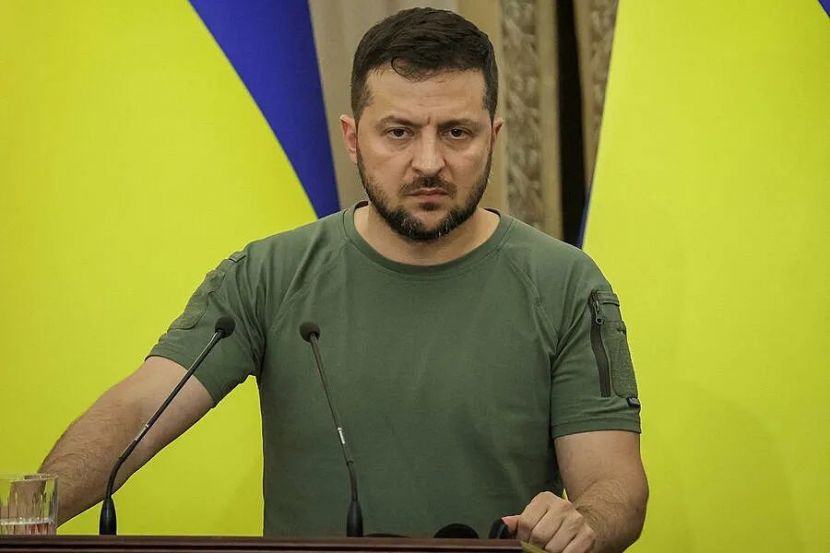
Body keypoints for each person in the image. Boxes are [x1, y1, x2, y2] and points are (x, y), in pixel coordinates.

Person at [40, 7, 647, 552]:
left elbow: (613, 482)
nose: (429, 162)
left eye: (456, 132)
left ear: (494, 137)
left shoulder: (566, 283)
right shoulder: (269, 275)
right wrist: (26, 518)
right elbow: (140, 406)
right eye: (399, 132)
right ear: (354, 139)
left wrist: (584, 522)